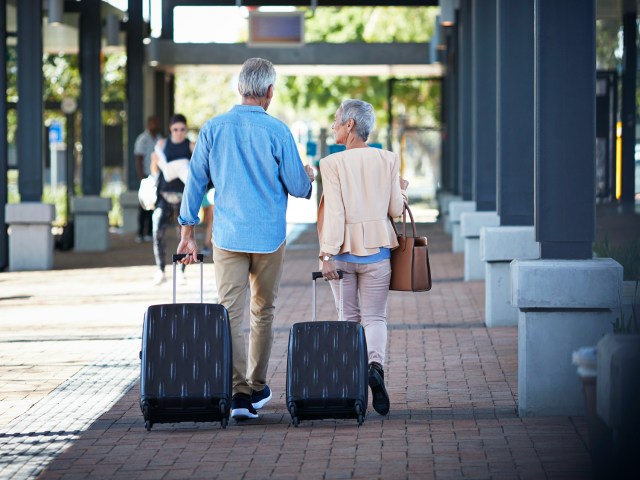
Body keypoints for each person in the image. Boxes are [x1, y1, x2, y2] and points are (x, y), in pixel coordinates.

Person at [177, 57, 315, 421]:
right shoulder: (278, 132)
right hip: (269, 237)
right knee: (263, 311)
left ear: (240, 89)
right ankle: (255, 387)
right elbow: (300, 188)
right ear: (269, 92)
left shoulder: (213, 128)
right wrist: (309, 173)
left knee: (230, 315)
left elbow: (195, 182)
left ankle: (238, 395)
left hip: (227, 236)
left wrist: (187, 232)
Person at [317, 99, 409, 416]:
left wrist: (326, 254)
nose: (333, 126)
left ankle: (352, 388)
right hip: (378, 251)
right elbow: (396, 210)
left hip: (342, 252)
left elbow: (335, 213)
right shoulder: (388, 159)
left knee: (349, 319)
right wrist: (402, 190)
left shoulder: (331, 164)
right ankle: (375, 367)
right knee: (375, 318)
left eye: (336, 120)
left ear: (350, 125)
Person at [150, 113, 195, 286]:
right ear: (170, 129)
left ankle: (181, 271)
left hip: (183, 197)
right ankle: (160, 269)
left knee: (183, 235)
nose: (179, 133)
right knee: (157, 231)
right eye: (175, 129)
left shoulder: (190, 146)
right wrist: (155, 161)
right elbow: (154, 170)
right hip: (164, 195)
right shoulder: (162, 144)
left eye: (182, 129)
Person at [133, 115, 162, 243]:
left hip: (157, 176)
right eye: (152, 123)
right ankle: (140, 232)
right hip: (146, 175)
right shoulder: (142, 139)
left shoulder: (160, 138)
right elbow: (138, 158)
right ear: (148, 124)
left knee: (153, 204)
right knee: (143, 205)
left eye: (156, 123)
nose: (154, 125)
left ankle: (150, 231)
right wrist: (141, 178)